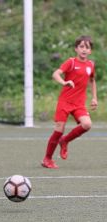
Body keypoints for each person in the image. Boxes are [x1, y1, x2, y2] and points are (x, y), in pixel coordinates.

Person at [41, 35, 97, 169]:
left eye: (87, 47)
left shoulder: (90, 65)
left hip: (79, 104)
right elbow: (55, 74)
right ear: (76, 48)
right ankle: (47, 159)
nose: (84, 49)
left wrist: (94, 98)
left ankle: (65, 141)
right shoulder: (71, 62)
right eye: (81, 46)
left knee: (87, 124)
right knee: (59, 129)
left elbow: (92, 80)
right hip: (65, 102)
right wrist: (64, 82)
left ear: (90, 51)